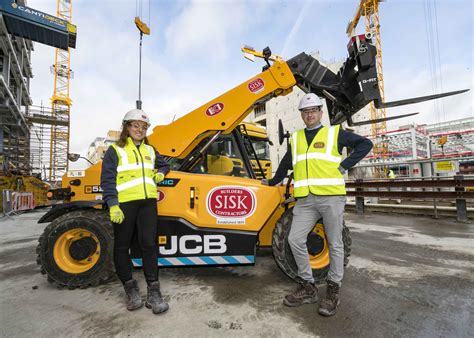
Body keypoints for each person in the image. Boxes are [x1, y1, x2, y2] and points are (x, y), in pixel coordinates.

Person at [262, 93, 372, 316]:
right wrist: (273, 181)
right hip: (306, 199)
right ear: (302, 115)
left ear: (320, 113)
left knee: (335, 242)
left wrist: (344, 165)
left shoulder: (334, 133)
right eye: (305, 111)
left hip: (330, 197)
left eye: (313, 110)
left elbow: (365, 144)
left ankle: (333, 290)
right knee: (294, 239)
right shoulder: (297, 138)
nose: (309, 114)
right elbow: (285, 163)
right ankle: (308, 286)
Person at [100, 108, 170, 315]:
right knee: (122, 247)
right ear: (127, 127)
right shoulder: (115, 150)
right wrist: (112, 204)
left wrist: (160, 173)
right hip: (124, 205)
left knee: (149, 245)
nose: (140, 130)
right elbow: (107, 180)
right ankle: (130, 289)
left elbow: (166, 164)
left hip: (148, 203)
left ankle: (154, 291)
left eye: (144, 127)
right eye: (136, 125)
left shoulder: (150, 150)